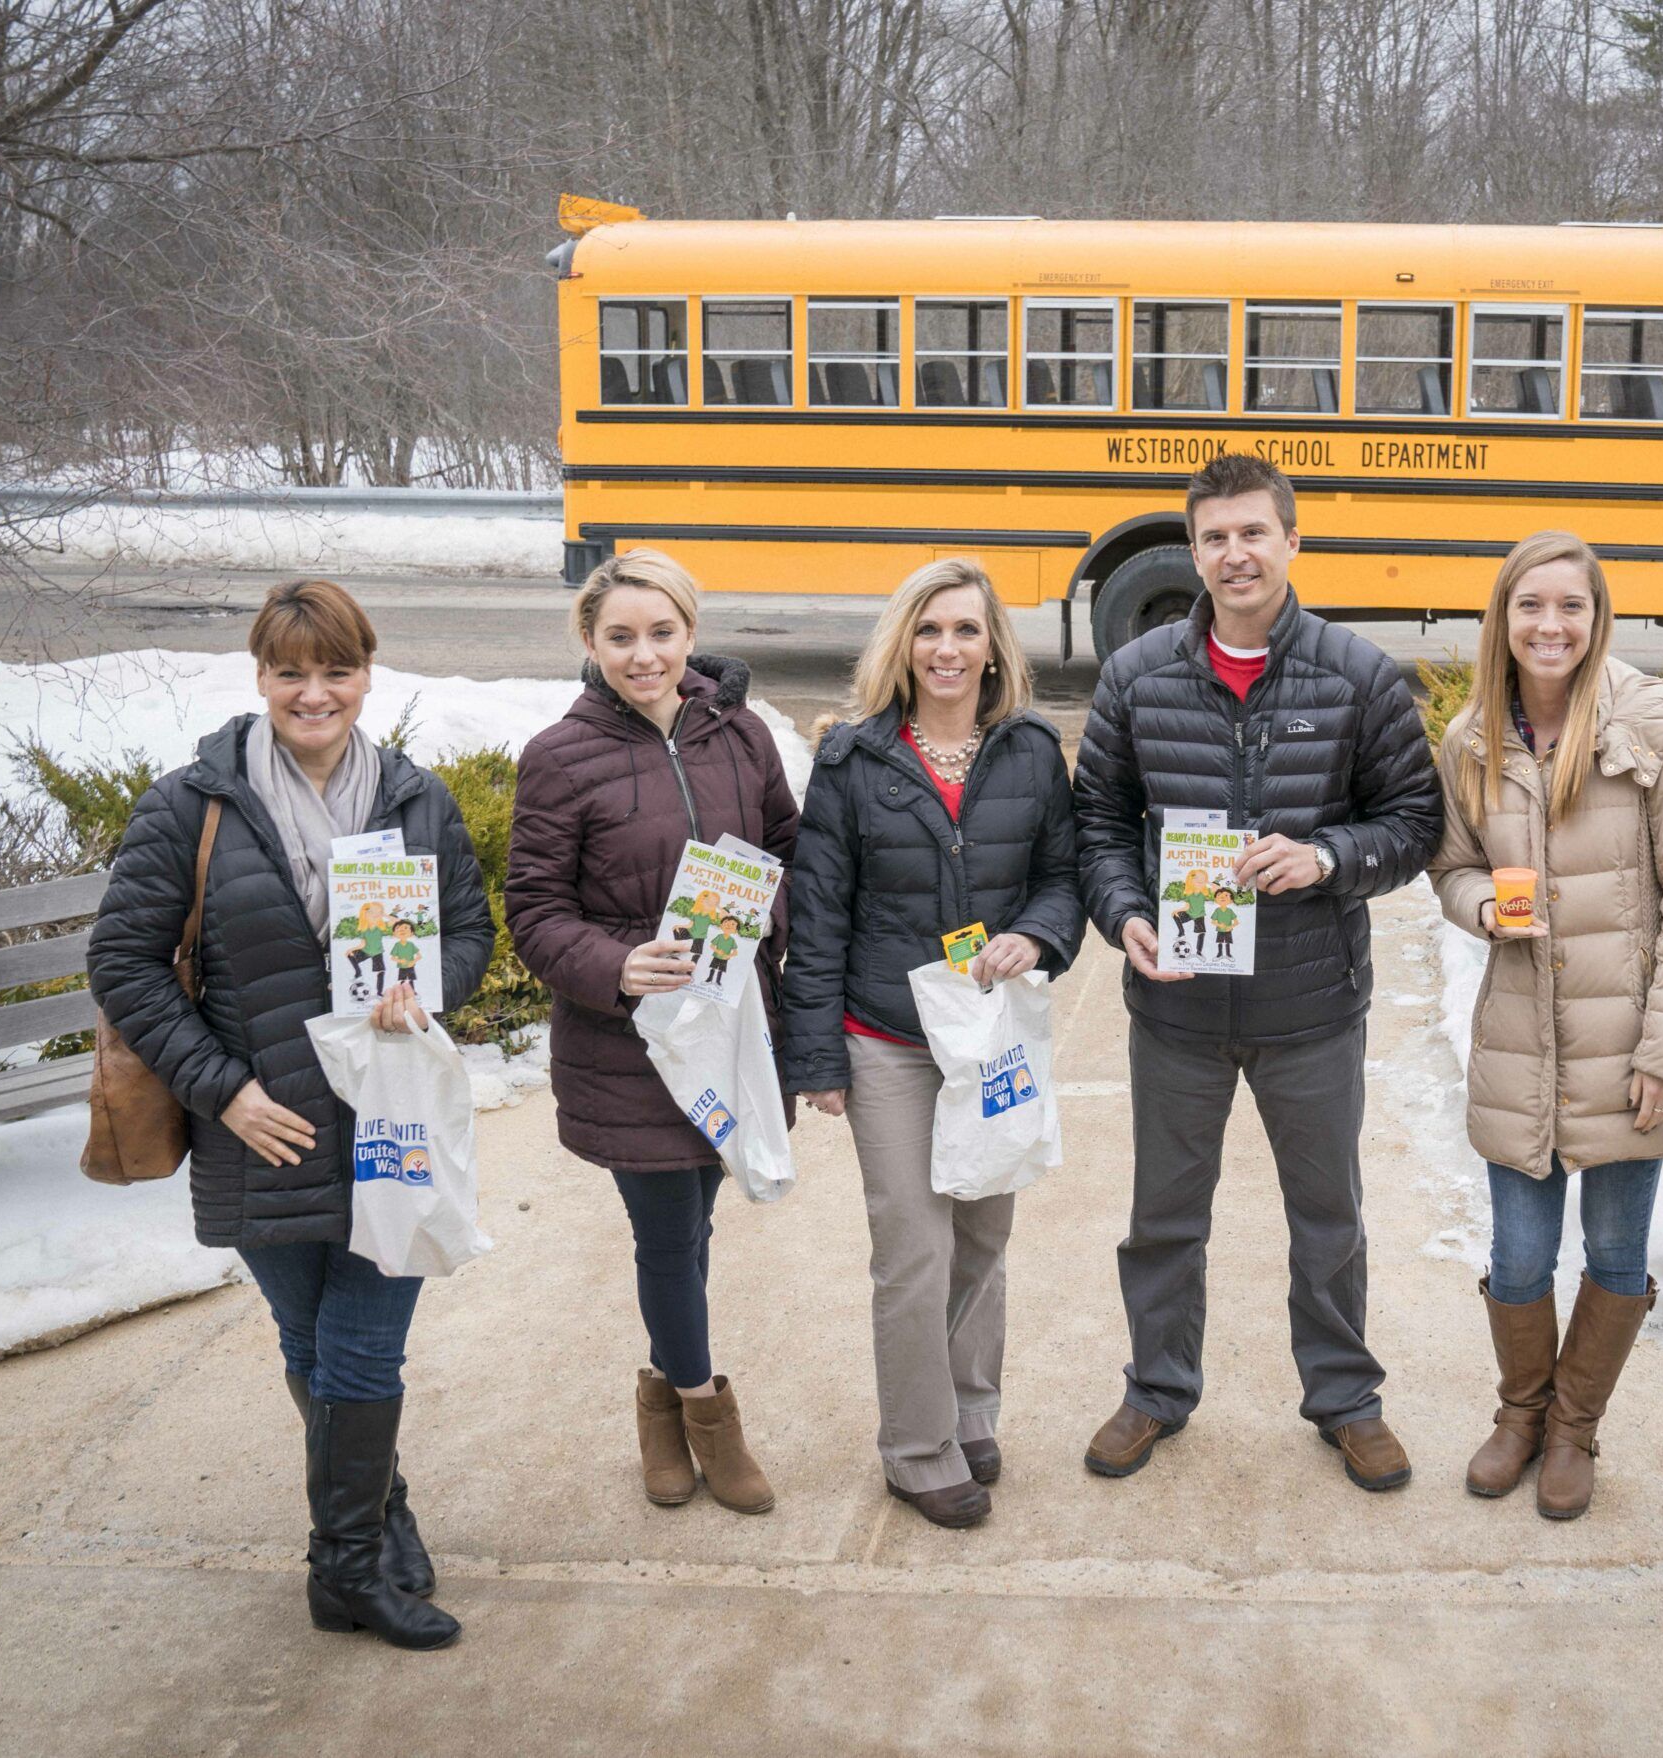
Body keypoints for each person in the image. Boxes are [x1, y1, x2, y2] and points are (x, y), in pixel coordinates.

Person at [88, 578, 495, 1652]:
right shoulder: (194, 806)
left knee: (363, 1353)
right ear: (260, 677)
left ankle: (346, 1570)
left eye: (337, 671)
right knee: (311, 1342)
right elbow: (122, 963)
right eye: (291, 672)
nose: (315, 694)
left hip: (388, 1119)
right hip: (261, 1127)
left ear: (367, 674)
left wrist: (430, 989)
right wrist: (224, 1090)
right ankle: (381, 1520)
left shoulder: (416, 796)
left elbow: (468, 929)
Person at [1073, 452, 1444, 1491]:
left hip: (1310, 1006)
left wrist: (1326, 857)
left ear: (1291, 540)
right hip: (1177, 1006)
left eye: (1252, 533)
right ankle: (1156, 1389)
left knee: (1327, 1217)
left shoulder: (1357, 676)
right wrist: (1124, 913)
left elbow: (1414, 824)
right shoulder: (1138, 674)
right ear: (1191, 553)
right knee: (1163, 1218)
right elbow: (1097, 821)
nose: (1234, 554)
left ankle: (1344, 1399)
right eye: (1214, 537)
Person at [1426, 532, 1663, 1519]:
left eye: (1571, 607)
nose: (1550, 625)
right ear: (1501, 621)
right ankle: (1519, 1414)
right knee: (1518, 1257)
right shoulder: (1472, 742)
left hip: (1628, 1047)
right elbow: (1452, 866)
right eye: (1530, 606)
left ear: (1597, 621)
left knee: (1613, 1253)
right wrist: (1477, 905)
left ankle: (1573, 1431)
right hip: (1520, 1039)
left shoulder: (1651, 735)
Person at [781, 559, 1081, 1528]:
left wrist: (1035, 933)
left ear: (993, 644)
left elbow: (1061, 877)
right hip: (887, 1039)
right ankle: (915, 1448)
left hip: (988, 1041)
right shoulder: (854, 759)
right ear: (901, 646)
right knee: (913, 1243)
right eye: (928, 630)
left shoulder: (1031, 750)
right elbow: (817, 914)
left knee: (983, 1235)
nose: (947, 649)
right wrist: (818, 1057)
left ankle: (968, 1409)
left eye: (965, 629)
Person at [506, 547, 802, 1516]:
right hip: (630, 1044)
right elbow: (536, 909)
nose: (645, 656)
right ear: (591, 643)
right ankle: (706, 1412)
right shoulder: (560, 756)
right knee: (669, 1236)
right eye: (621, 637)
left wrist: (769, 912)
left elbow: (789, 849)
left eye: (662, 633)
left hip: (729, 1032)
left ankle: (658, 1406)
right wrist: (615, 968)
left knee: (695, 1224)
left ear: (690, 633)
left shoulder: (741, 735)